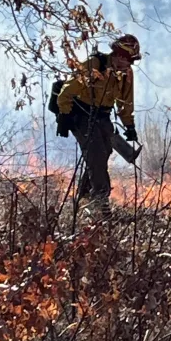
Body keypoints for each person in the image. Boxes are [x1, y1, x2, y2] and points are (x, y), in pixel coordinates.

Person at [56, 34, 141, 210]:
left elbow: (126, 102)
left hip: (103, 116)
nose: (129, 65)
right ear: (118, 55)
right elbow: (67, 90)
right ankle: (101, 205)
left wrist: (129, 125)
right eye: (128, 60)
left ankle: (83, 198)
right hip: (81, 115)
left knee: (106, 152)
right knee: (96, 156)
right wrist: (64, 116)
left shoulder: (126, 74)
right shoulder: (95, 65)